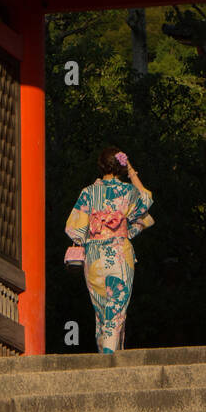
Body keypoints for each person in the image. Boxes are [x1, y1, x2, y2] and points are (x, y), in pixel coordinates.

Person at [65, 147, 153, 353]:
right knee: (116, 312)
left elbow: (73, 228)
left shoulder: (88, 193)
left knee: (103, 313)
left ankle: (106, 356)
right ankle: (110, 360)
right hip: (119, 254)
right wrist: (132, 172)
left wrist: (94, 233)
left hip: (94, 256)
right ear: (121, 167)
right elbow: (147, 200)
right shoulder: (128, 192)